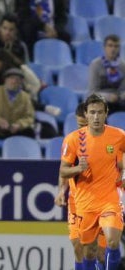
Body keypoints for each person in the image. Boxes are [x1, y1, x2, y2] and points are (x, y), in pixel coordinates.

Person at [60, 94, 125, 270]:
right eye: (92, 113)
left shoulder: (118, 136)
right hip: (85, 203)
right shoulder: (73, 139)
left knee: (112, 241)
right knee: (88, 252)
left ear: (106, 114)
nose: (96, 117)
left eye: (100, 112)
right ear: (86, 114)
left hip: (110, 200)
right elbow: (63, 170)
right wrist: (77, 169)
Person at [55, 102, 107, 270]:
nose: (83, 129)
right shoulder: (73, 140)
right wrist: (61, 190)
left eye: (85, 125)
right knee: (78, 246)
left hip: (102, 201)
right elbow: (64, 168)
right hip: (76, 200)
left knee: (98, 252)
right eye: (80, 125)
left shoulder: (108, 141)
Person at [0, 67, 36, 139]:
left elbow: (30, 117)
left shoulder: (25, 97)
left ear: (21, 82)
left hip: (15, 130)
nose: (14, 81)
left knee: (29, 132)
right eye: (11, 78)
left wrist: (19, 124)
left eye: (17, 79)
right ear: (5, 80)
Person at [88, 34, 125, 113]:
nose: (113, 49)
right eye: (110, 46)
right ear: (104, 47)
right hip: (100, 100)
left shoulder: (123, 65)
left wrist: (121, 96)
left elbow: (123, 89)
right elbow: (92, 92)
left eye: (116, 46)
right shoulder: (96, 65)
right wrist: (107, 97)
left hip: (118, 99)